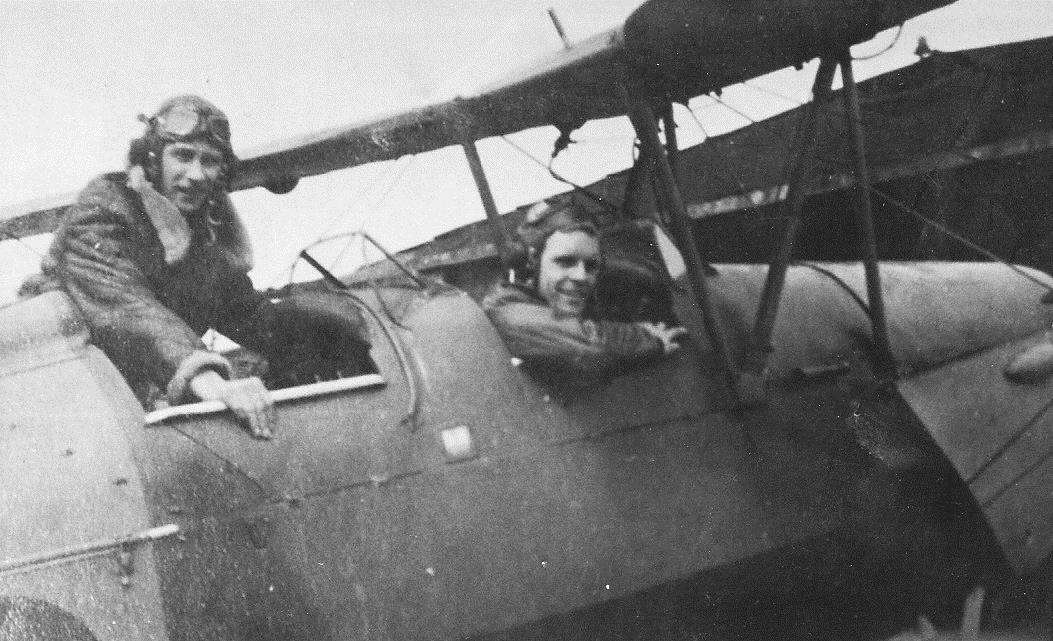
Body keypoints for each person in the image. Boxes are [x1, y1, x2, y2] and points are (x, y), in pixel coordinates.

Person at [21, 95, 370, 438]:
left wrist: (332, 328)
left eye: (210, 161)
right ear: (155, 160)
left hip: (115, 409)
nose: (196, 174)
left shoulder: (194, 238)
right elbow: (130, 309)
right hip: (49, 400)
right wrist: (210, 380)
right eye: (183, 156)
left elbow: (247, 313)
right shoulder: (105, 211)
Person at [482, 199, 685, 380]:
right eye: (565, 261)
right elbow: (586, 343)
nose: (581, 277)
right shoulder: (505, 308)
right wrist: (650, 340)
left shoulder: (552, 301)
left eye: (590, 266)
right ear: (533, 261)